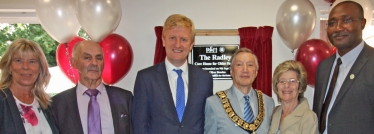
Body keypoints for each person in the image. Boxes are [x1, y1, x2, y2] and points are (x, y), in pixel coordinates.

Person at [132, 14, 213, 134]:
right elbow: (139, 125)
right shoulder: (146, 78)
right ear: (163, 40)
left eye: (184, 39)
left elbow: (208, 122)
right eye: (172, 38)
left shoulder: (204, 78)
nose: (178, 44)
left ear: (191, 44)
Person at [313, 1, 374, 134]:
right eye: (332, 23)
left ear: (362, 23)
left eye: (346, 20)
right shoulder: (324, 67)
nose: (338, 28)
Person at [52, 40, 133, 134]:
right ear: (74, 63)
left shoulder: (125, 98)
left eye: (99, 58)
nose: (94, 63)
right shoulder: (58, 104)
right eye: (87, 58)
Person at [204, 48, 274, 134]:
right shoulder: (214, 103)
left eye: (250, 65)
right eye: (239, 64)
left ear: (256, 72)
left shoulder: (268, 102)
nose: (245, 70)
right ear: (231, 71)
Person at [0, 38, 59, 134]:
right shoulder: (2, 100)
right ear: (9, 66)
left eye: (32, 61)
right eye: (18, 60)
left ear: (40, 67)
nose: (25, 67)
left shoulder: (46, 103)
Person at [268, 60, 318, 134]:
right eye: (282, 81)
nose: (286, 85)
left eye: (292, 81)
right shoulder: (275, 113)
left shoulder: (308, 117)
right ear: (276, 86)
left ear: (300, 87)